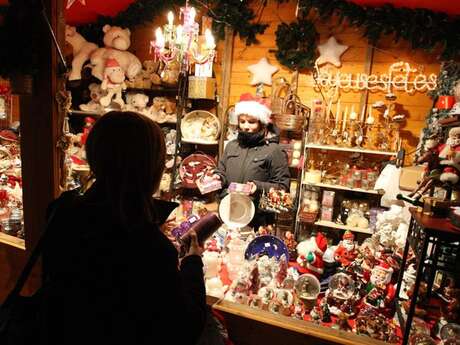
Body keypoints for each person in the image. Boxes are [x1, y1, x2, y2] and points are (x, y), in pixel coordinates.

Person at [41, 111, 206, 345]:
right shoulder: (149, 246)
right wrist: (192, 262)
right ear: (152, 168)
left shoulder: (62, 211)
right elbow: (185, 327)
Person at [214, 93, 290, 230]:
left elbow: (283, 187)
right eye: (242, 121)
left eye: (251, 122)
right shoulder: (231, 146)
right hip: (228, 214)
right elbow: (222, 171)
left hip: (258, 221)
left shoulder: (274, 151)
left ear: (262, 123)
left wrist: (258, 187)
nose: (246, 126)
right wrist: (216, 177)